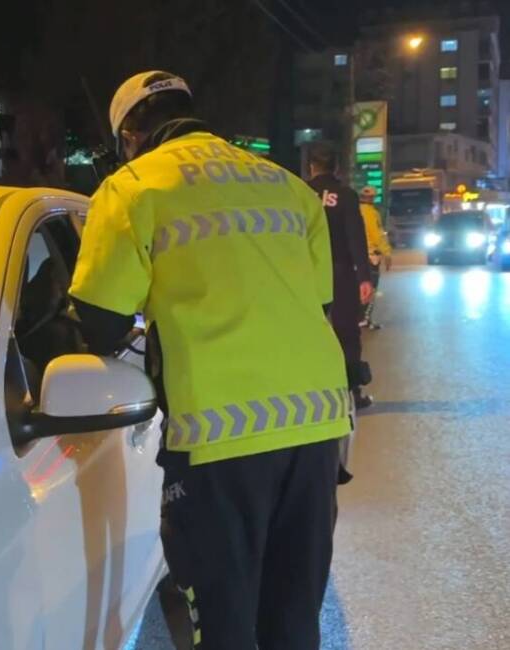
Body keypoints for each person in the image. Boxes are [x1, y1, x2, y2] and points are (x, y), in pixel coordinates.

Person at [69, 70, 353, 650]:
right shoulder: (286, 184)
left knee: (224, 626)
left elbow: (99, 322)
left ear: (130, 134)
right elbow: (316, 299)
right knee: (294, 617)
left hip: (222, 438)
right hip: (318, 425)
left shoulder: (132, 189)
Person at [305, 146, 374, 409]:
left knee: (311, 331)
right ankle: (352, 391)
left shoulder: (299, 193)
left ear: (311, 167)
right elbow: (355, 236)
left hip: (306, 273)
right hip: (340, 271)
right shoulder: (345, 196)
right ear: (337, 169)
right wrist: (364, 277)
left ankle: (314, 393)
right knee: (347, 331)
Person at [359, 186, 392, 329]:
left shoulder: (355, 210)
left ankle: (358, 318)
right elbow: (377, 234)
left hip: (357, 255)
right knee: (371, 287)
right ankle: (365, 319)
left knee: (359, 287)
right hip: (372, 255)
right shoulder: (372, 213)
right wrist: (387, 253)